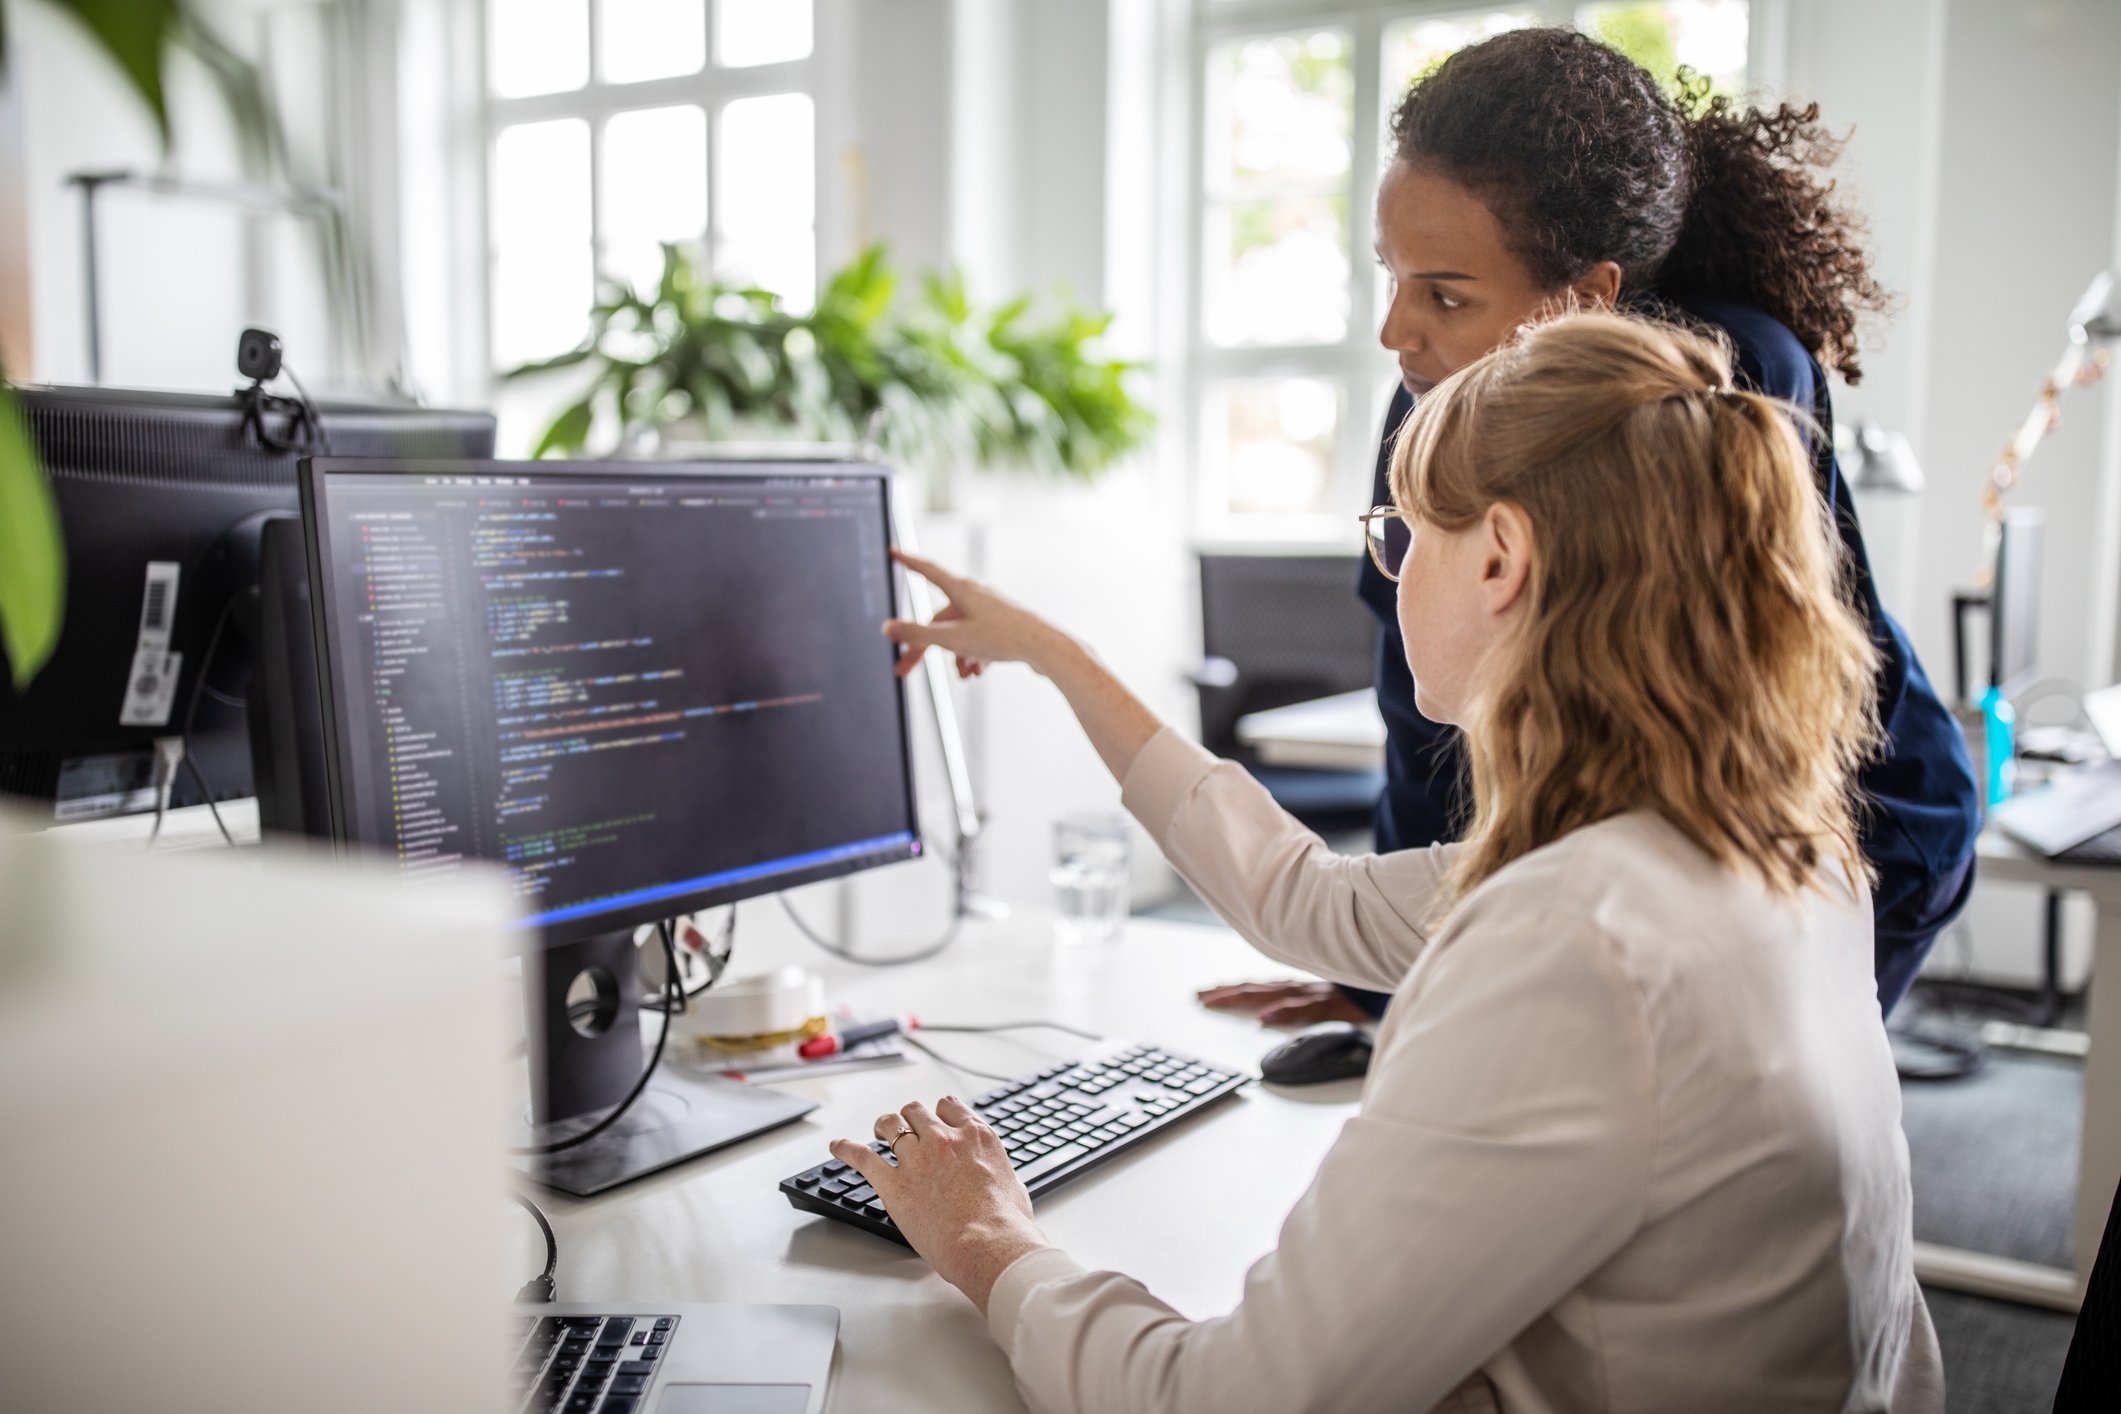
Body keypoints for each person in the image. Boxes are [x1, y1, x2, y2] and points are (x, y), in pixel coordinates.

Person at [836, 311, 1942, 1413]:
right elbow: (1301, 896)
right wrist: (1057, 657)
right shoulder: (1761, 844)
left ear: (1500, 557)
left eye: (1402, 535)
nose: (1391, 577)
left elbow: (1227, 1402)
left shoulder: (1576, 940)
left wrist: (987, 1241)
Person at [1201, 27, 1978, 1036]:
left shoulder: (1725, 380)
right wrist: (1387, 979)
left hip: (1848, 829)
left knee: (1705, 1135)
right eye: (1392, 276)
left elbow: (1693, 747)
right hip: (1641, 858)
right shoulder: (1430, 400)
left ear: (1587, 296)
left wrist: (1456, 983)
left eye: (1445, 293)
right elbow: (1423, 719)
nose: (1398, 331)